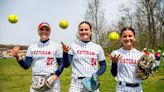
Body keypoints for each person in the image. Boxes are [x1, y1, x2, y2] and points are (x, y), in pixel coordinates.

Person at [10, 22, 64, 92]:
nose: (44, 31)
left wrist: (55, 76)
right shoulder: (32, 46)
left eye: (47, 30)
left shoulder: (57, 46)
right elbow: (26, 65)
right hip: (36, 80)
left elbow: (61, 64)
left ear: (50, 32)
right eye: (42, 29)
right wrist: (17, 57)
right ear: (38, 31)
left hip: (51, 80)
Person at [61, 21, 106, 92]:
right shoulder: (73, 46)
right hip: (76, 83)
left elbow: (103, 65)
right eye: (81, 30)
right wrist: (65, 53)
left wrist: (97, 74)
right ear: (78, 32)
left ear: (91, 31)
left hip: (92, 82)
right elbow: (66, 65)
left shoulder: (98, 47)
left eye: (86, 29)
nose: (83, 31)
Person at [109, 27, 144, 92]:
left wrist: (144, 72)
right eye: (124, 36)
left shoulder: (141, 55)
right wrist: (114, 63)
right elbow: (114, 74)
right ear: (121, 39)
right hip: (122, 88)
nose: (127, 38)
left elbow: (143, 76)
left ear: (134, 38)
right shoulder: (115, 53)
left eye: (130, 36)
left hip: (138, 88)